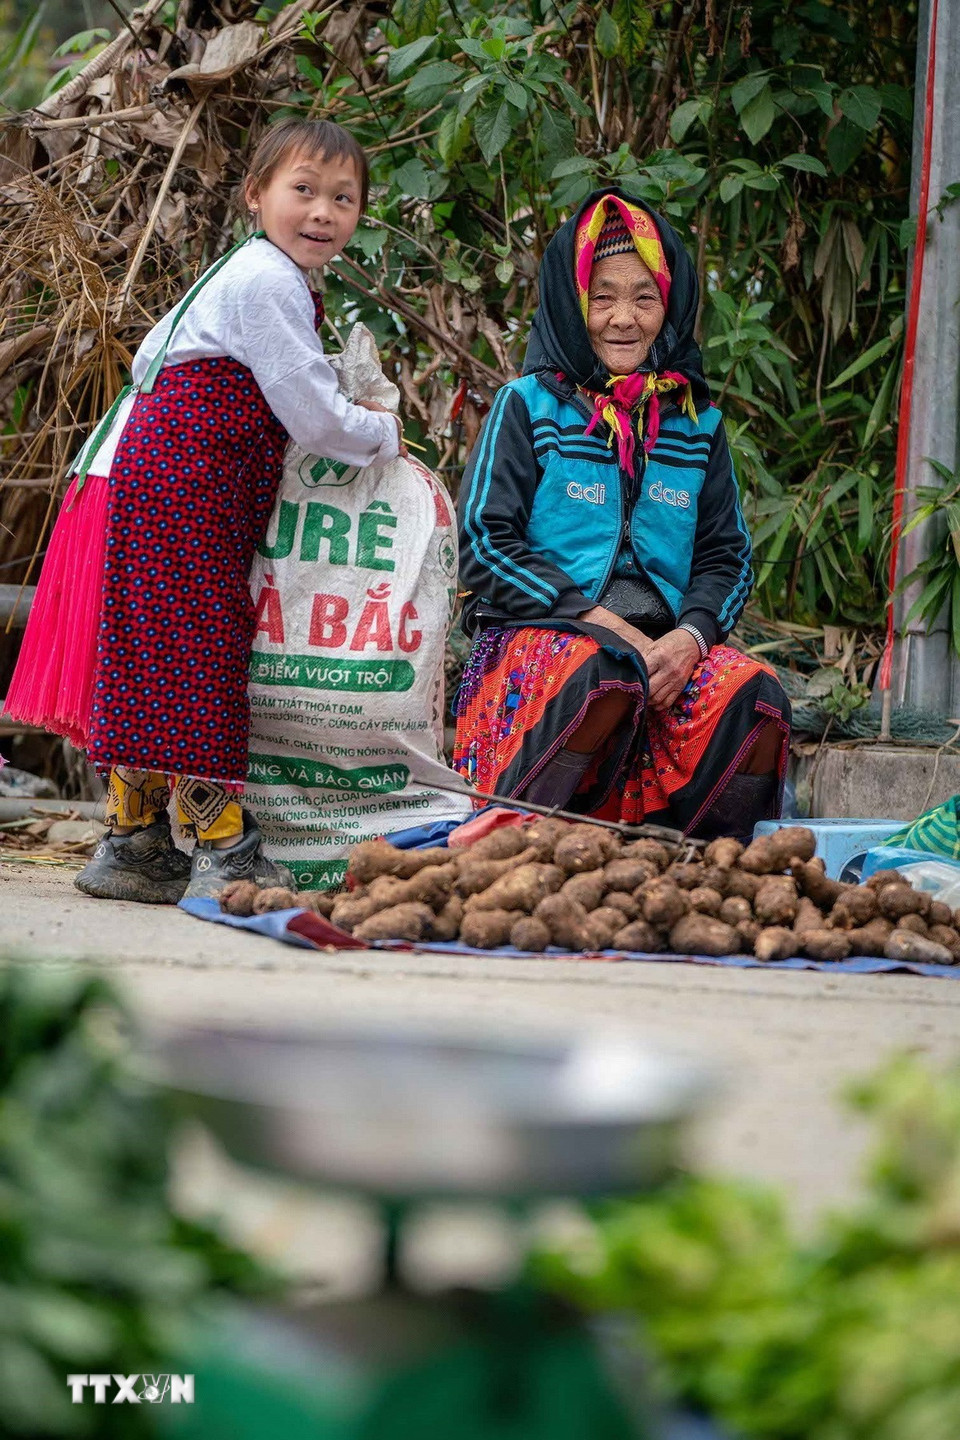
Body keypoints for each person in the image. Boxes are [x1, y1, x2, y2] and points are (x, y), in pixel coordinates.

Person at [6, 119, 404, 901]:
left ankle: (137, 843)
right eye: (304, 190)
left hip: (170, 478)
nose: (323, 211)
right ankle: (223, 844)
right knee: (197, 651)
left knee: (162, 649)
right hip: (183, 479)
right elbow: (315, 416)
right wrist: (382, 431)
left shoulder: (261, 275)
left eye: (344, 198)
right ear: (256, 196)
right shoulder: (266, 281)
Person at [454, 187, 790, 841]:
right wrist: (605, 625)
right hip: (542, 642)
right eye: (602, 296)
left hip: (662, 655)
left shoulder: (696, 425)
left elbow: (728, 556)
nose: (623, 319)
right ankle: (514, 847)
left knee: (757, 693)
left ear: (671, 304)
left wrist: (689, 639)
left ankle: (698, 868)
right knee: (602, 671)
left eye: (645, 296)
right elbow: (483, 542)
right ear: (571, 302)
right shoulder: (526, 406)